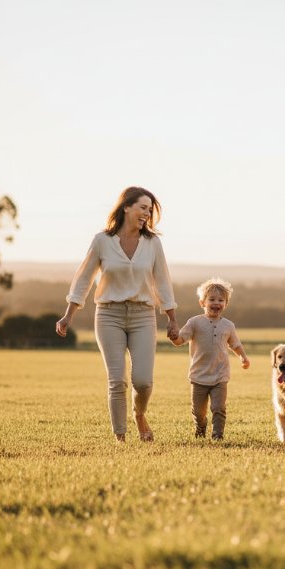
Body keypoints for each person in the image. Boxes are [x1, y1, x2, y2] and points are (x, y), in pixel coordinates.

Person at [55, 186, 178, 443]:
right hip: (109, 315)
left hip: (143, 315)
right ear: (126, 207)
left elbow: (163, 282)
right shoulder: (102, 241)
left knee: (143, 380)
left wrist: (171, 318)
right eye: (142, 207)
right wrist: (69, 314)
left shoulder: (153, 243)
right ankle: (120, 438)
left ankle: (140, 414)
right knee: (117, 380)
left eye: (150, 209)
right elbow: (84, 278)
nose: (146, 213)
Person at [170, 277, 250, 440]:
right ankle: (201, 426)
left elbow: (235, 344)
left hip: (220, 375)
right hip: (198, 376)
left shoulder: (228, 325)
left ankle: (217, 435)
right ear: (202, 303)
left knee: (219, 407)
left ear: (225, 304)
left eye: (221, 300)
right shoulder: (195, 323)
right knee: (199, 411)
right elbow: (180, 340)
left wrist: (243, 357)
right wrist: (174, 337)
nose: (216, 303)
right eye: (212, 299)